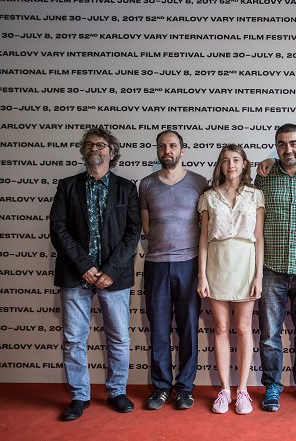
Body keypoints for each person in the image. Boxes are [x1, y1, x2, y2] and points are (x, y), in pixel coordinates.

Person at [50, 128, 141, 421]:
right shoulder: (67, 186)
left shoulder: (127, 188)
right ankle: (79, 395)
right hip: (76, 275)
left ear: (111, 152)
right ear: (82, 151)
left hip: (115, 277)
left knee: (118, 338)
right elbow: (58, 229)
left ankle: (116, 391)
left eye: (100, 145)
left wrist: (110, 271)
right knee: (74, 338)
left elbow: (133, 233)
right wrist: (85, 267)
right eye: (88, 145)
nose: (94, 149)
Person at [254, 124, 296, 412]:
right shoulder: (264, 177)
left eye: (293, 143)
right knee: (269, 333)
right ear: (276, 147)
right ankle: (272, 385)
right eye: (281, 144)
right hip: (271, 266)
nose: (288, 149)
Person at [139, 130, 208, 410]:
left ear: (182, 151)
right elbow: (146, 226)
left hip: (189, 264)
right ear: (157, 151)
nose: (167, 150)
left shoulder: (199, 183)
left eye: (172, 145)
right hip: (156, 264)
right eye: (162, 146)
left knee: (189, 328)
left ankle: (185, 388)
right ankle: (161, 387)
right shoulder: (145, 185)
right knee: (158, 329)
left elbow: (206, 224)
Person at [197, 144, 265, 415]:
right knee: (222, 328)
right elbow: (203, 239)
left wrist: (258, 275)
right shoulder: (208, 197)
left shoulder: (256, 195)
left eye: (236, 160)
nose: (231, 165)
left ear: (245, 164)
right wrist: (202, 275)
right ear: (220, 165)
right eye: (225, 160)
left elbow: (259, 238)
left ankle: (244, 391)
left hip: (245, 263)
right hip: (217, 263)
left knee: (244, 327)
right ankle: (225, 390)